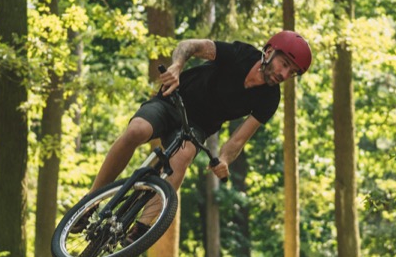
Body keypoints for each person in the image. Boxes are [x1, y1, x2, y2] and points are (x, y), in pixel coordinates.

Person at [86, 30, 312, 237]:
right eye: (284, 64)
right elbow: (189, 45)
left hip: (197, 127)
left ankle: (140, 229)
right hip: (173, 101)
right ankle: (89, 203)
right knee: (137, 130)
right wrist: (177, 66)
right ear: (269, 52)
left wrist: (224, 159)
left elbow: (238, 139)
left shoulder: (270, 99)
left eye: (291, 72)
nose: (284, 74)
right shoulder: (240, 54)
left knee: (183, 156)